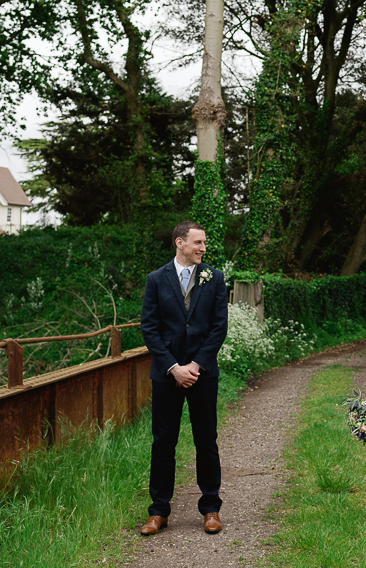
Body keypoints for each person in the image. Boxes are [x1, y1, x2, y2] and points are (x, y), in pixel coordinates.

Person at [139, 221, 229, 536]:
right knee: (163, 443)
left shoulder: (215, 279)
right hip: (166, 377)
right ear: (180, 242)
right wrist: (174, 367)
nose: (203, 248)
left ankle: (211, 509)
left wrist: (195, 365)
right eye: (198, 243)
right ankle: (158, 512)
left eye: (204, 243)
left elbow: (219, 327)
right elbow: (149, 328)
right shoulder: (155, 280)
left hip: (203, 375)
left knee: (206, 441)